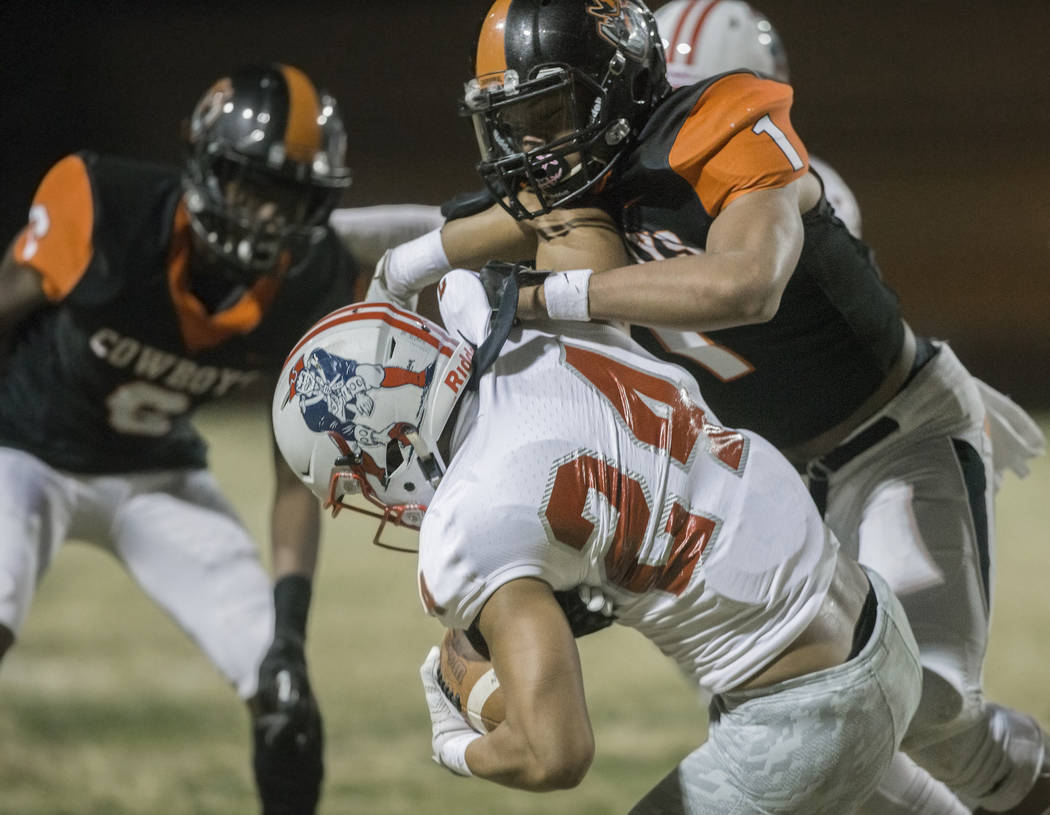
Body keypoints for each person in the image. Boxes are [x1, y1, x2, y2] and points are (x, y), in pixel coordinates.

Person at [369, 2, 1048, 812]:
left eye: (550, 114)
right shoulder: (572, 185)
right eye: (517, 121)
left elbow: (744, 287)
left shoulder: (730, 135)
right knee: (823, 726)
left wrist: (550, 292)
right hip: (771, 484)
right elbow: (447, 248)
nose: (534, 145)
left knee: (930, 708)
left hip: (890, 437)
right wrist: (402, 264)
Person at [272, 272, 923, 813]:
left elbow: (556, 752)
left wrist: (455, 747)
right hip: (880, 623)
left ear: (387, 445)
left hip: (807, 715)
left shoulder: (469, 523)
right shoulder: (537, 328)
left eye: (362, 481)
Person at [0, 63, 372, 815]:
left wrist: (289, 639)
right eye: (251, 186)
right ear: (205, 166)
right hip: (27, 448)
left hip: (158, 473)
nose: (268, 216)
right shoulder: (107, 204)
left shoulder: (315, 280)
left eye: (289, 196)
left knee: (286, 706)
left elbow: (293, 467)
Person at [652, 0, 862, 238]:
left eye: (704, 106)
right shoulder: (622, 176)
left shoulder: (817, 194)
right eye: (667, 103)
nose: (677, 122)